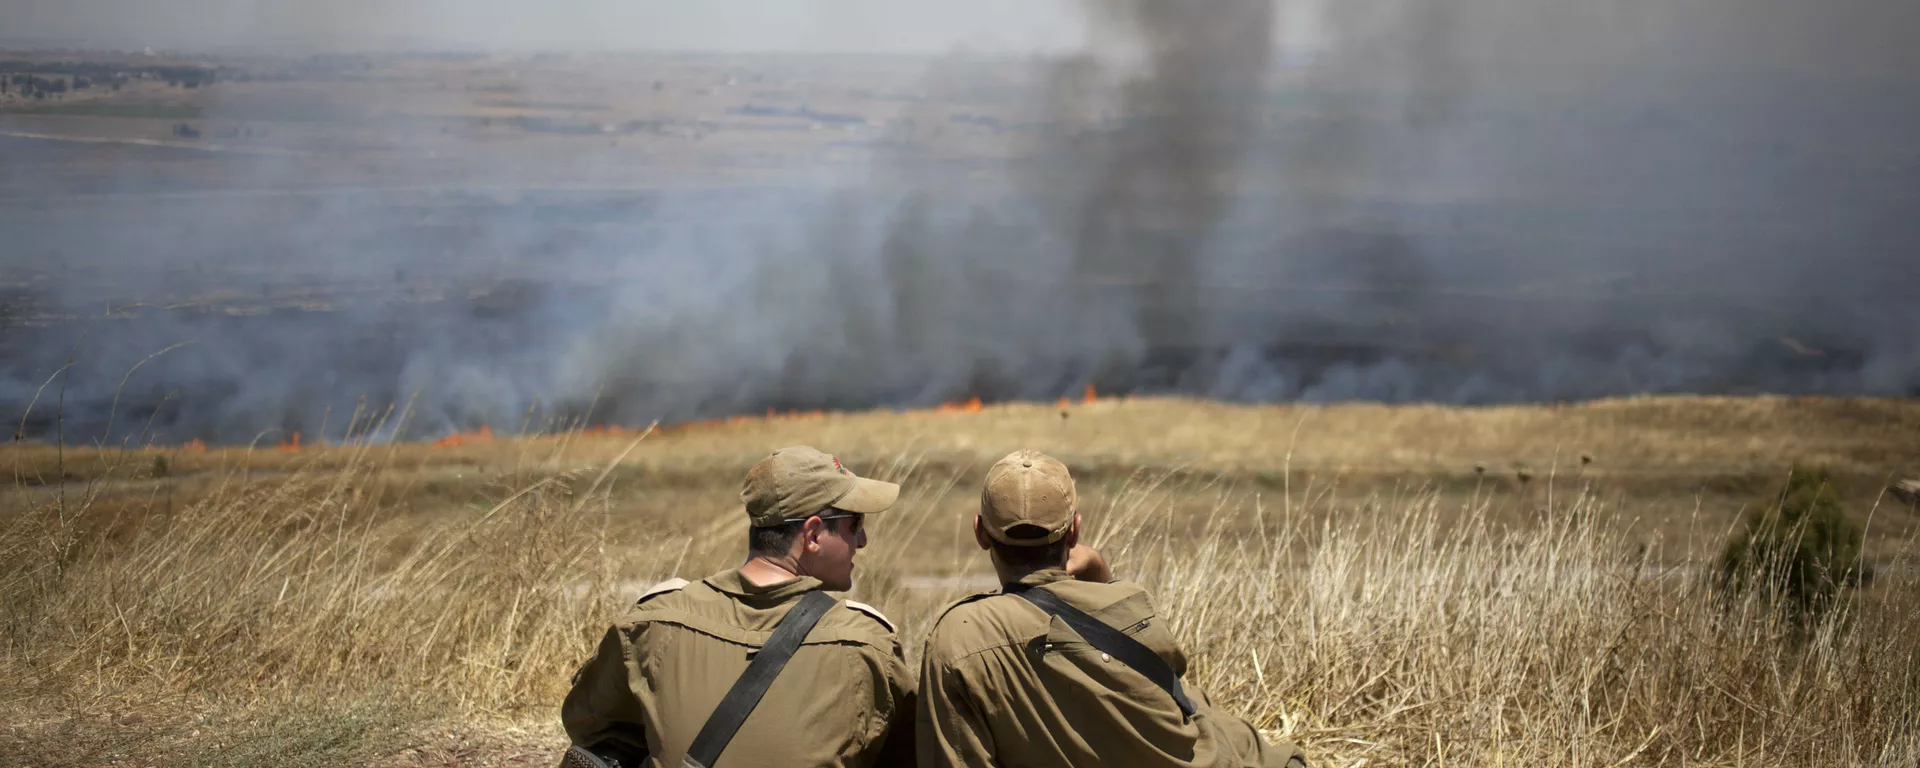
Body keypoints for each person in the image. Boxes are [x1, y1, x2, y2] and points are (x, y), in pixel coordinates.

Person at [917, 450, 1308, 768]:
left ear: (980, 533)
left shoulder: (960, 637)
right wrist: (1098, 571)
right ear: (1074, 529)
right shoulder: (1131, 602)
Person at [560, 446, 916, 768]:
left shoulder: (654, 622)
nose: (863, 540)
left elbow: (587, 726)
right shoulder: (868, 646)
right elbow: (913, 752)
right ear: (813, 535)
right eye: (855, 524)